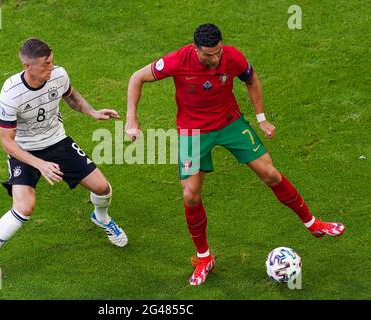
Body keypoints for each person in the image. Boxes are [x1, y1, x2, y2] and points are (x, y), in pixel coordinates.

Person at [125, 23, 345, 286]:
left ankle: (313, 223)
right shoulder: (177, 60)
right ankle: (204, 257)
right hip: (193, 132)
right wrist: (131, 120)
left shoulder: (233, 56)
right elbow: (137, 77)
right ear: (195, 49)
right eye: (208, 55)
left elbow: (251, 79)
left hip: (230, 123)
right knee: (191, 195)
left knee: (270, 173)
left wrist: (261, 118)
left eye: (218, 52)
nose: (215, 59)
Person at [0, 38, 128, 282]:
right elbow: (6, 141)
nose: (51, 68)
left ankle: (101, 217)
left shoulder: (58, 75)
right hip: (24, 151)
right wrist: (39, 164)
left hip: (57, 142)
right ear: (27, 66)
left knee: (103, 188)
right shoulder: (11, 93)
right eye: (45, 65)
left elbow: (71, 96)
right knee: (24, 207)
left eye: (52, 62)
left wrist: (92, 111)